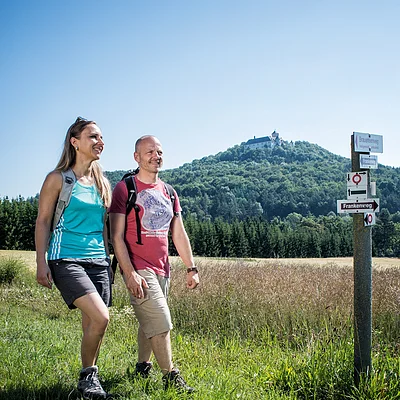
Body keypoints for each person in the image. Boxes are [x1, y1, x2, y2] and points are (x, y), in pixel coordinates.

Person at [109, 135, 199, 393]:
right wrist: (129, 273)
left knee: (149, 320)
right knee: (161, 321)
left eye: (159, 151)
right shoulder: (125, 189)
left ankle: (142, 366)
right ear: (136, 157)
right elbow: (116, 235)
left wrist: (191, 268)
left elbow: (178, 233)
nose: (155, 156)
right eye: (149, 152)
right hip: (138, 267)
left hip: (163, 268)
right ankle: (172, 377)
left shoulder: (170, 192)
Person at [35, 117, 112, 400]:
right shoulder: (58, 179)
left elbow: (106, 225)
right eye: (93, 136)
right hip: (66, 258)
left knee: (92, 324)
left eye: (101, 137)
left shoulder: (102, 182)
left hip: (98, 261)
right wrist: (41, 261)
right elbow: (43, 221)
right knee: (101, 318)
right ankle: (88, 377)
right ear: (75, 141)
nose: (99, 142)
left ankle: (89, 380)